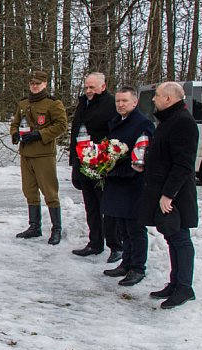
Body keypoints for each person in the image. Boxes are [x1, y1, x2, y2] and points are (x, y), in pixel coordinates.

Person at [135, 82, 199, 309]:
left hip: (176, 195)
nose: (154, 99)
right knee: (171, 236)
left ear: (170, 99)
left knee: (180, 238)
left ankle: (184, 288)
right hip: (164, 190)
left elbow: (183, 164)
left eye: (158, 95)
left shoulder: (183, 123)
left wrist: (168, 195)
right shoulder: (169, 120)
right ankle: (175, 283)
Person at [99, 86, 155, 287]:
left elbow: (144, 153)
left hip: (133, 181)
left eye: (124, 101)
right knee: (122, 226)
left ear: (135, 102)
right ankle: (126, 262)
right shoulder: (116, 122)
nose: (120, 104)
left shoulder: (143, 124)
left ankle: (138, 267)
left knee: (135, 228)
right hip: (116, 179)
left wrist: (126, 166)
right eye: (118, 101)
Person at [9, 70, 68, 245]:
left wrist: (40, 134)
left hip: (44, 153)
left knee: (50, 192)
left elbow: (61, 125)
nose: (34, 86)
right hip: (26, 153)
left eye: (38, 83)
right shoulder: (23, 103)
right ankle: (34, 226)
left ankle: (56, 228)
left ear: (45, 84)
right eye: (32, 83)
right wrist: (14, 134)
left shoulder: (53, 104)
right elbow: (15, 123)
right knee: (29, 191)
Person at [69, 73, 123, 260]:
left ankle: (116, 245)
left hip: (101, 164)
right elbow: (75, 134)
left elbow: (116, 135)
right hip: (82, 162)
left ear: (103, 86)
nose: (89, 91)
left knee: (106, 206)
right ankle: (95, 243)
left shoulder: (110, 104)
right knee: (91, 206)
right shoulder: (83, 104)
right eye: (86, 87)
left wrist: (107, 159)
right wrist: (74, 163)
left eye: (92, 87)